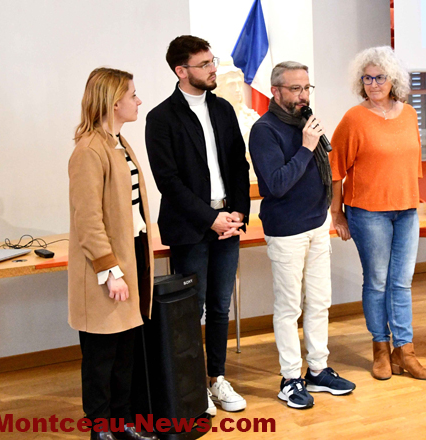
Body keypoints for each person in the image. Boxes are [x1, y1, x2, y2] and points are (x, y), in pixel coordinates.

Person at [145, 35, 251, 415]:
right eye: (204, 64)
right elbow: (168, 182)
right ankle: (191, 386)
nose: (212, 69)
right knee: (191, 310)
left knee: (221, 306)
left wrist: (238, 213)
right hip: (191, 227)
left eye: (212, 61)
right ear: (181, 70)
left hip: (228, 222)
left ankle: (216, 377)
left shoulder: (222, 109)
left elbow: (238, 165)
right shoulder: (161, 118)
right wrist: (210, 219)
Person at [248, 61, 356, 409]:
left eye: (307, 88)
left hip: (316, 224)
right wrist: (307, 147)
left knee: (320, 301)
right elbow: (276, 185)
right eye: (295, 89)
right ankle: (290, 378)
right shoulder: (264, 130)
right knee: (289, 306)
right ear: (275, 91)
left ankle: (318, 369)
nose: (303, 95)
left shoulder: (305, 122)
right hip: (286, 231)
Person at [330, 46, 426, 381]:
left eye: (380, 78)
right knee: (377, 282)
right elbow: (335, 169)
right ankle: (380, 348)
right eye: (368, 78)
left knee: (401, 283)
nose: (373, 84)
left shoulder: (410, 114)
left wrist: (410, 194)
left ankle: (405, 351)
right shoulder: (354, 118)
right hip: (368, 212)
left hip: (406, 210)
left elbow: (411, 161)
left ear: (394, 80)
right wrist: (337, 213)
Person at [68, 68, 157, 440]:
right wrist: (111, 271)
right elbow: (88, 220)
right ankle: (101, 430)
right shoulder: (89, 150)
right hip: (105, 266)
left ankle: (123, 423)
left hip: (131, 255)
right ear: (113, 102)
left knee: (125, 353)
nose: (139, 101)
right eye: (133, 95)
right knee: (102, 357)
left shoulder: (119, 142)